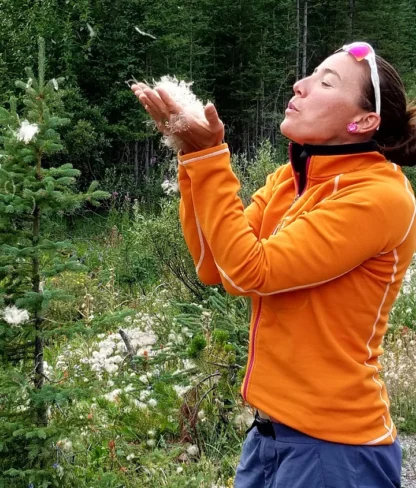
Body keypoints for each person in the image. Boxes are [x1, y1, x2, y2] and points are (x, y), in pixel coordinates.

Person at [131, 41, 416, 488]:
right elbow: (215, 267)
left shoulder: (379, 197)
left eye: (326, 81)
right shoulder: (291, 178)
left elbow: (252, 271)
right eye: (309, 75)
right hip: (269, 436)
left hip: (335, 449)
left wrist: (210, 158)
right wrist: (192, 157)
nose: (299, 86)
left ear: (363, 121)